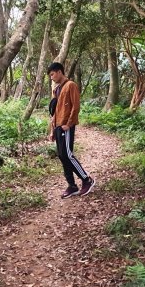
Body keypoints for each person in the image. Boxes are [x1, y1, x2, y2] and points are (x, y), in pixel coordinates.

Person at [47, 62, 95, 198]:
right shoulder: (56, 89)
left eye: (52, 74)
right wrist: (52, 130)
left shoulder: (71, 85)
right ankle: (72, 186)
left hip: (66, 126)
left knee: (67, 154)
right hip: (58, 126)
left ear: (59, 72)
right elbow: (54, 111)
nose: (52, 77)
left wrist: (69, 124)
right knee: (62, 156)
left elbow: (76, 106)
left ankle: (87, 180)